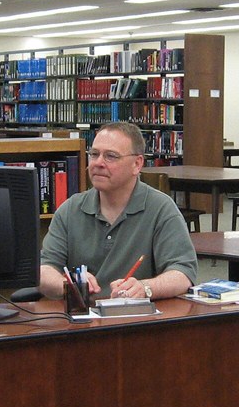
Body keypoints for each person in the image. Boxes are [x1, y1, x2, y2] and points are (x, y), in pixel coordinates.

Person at [39, 122, 198, 300]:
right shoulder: (70, 210)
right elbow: (45, 271)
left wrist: (145, 287)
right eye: (94, 154)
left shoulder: (161, 208)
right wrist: (68, 285)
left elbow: (183, 273)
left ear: (137, 164)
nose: (98, 163)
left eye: (110, 156)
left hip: (134, 320)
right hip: (81, 319)